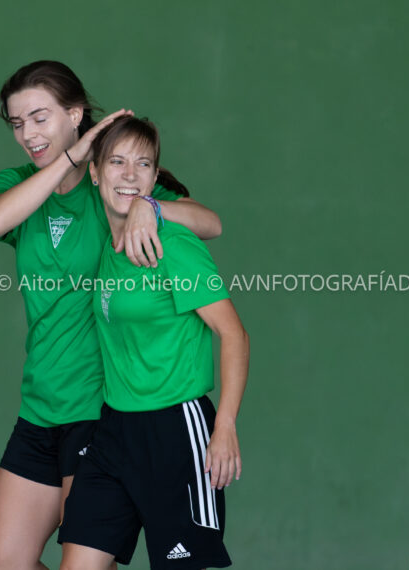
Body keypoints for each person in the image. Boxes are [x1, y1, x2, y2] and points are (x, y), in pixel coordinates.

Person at [0, 61, 223, 570]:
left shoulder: (111, 184)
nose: (28, 133)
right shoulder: (17, 185)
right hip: (39, 405)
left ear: (75, 114)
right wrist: (68, 156)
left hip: (96, 410)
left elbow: (209, 223)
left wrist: (150, 208)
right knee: (6, 563)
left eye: (40, 117)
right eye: (18, 123)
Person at [58, 116, 249, 570]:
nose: (129, 174)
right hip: (114, 433)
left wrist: (224, 426)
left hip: (177, 431)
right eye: (118, 162)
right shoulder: (110, 245)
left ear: (153, 176)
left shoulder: (174, 245)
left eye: (142, 164)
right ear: (95, 172)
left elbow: (234, 333)